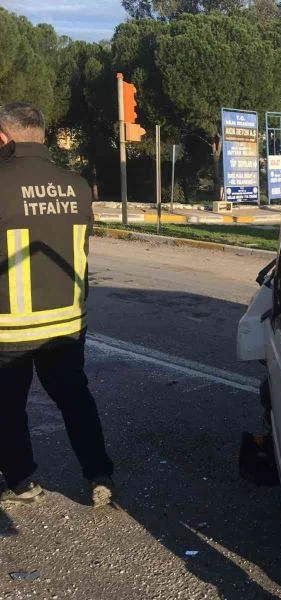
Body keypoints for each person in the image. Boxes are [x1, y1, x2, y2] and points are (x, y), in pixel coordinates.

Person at [0, 103, 114, 507]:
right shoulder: (76, 185)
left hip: (9, 326)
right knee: (75, 399)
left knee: (7, 408)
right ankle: (99, 474)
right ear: (42, 135)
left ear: (3, 137)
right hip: (66, 322)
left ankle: (22, 483)